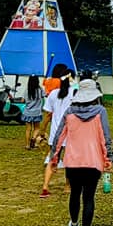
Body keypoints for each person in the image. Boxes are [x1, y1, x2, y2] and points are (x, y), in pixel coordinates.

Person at [50, 72, 112, 226]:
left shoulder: (69, 112)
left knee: (75, 193)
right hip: (93, 162)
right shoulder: (100, 111)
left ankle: (74, 224)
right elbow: (105, 137)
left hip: (73, 162)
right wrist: (108, 159)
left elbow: (58, 136)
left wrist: (54, 159)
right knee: (89, 196)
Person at [40, 69, 74, 198]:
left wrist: (43, 129)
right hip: (71, 133)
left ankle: (45, 186)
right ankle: (67, 186)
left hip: (55, 133)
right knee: (69, 161)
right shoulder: (74, 94)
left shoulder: (53, 94)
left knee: (52, 159)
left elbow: (48, 114)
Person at [21, 74, 44, 150]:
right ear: (37, 81)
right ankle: (33, 138)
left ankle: (27, 145)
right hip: (37, 113)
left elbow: (22, 100)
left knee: (28, 129)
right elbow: (45, 95)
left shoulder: (27, 90)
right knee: (36, 128)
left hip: (27, 112)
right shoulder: (40, 90)